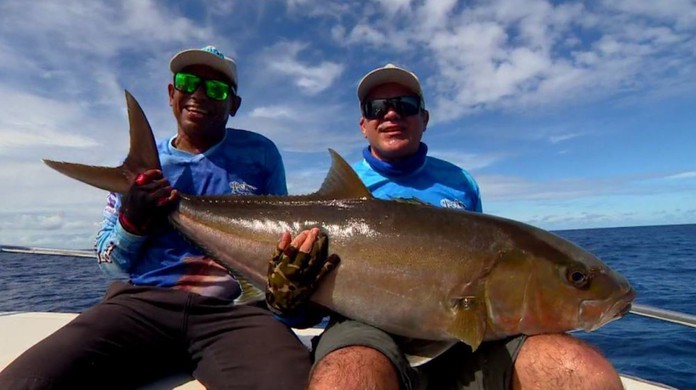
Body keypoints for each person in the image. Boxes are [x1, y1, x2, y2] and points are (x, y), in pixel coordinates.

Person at [277, 64, 624, 390]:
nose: (392, 113)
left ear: (424, 118)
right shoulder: (335, 201)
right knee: (348, 376)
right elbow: (306, 311)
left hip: (469, 338)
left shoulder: (459, 182)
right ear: (363, 124)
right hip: (365, 327)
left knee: (580, 370)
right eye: (377, 107)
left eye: (405, 104)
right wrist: (290, 300)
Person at [0, 46, 320, 390]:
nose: (199, 94)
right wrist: (131, 222)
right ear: (172, 94)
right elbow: (109, 263)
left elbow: (282, 234)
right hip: (141, 304)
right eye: (187, 82)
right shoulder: (144, 172)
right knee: (23, 383)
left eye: (216, 89)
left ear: (233, 105)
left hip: (237, 312)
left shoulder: (261, 154)